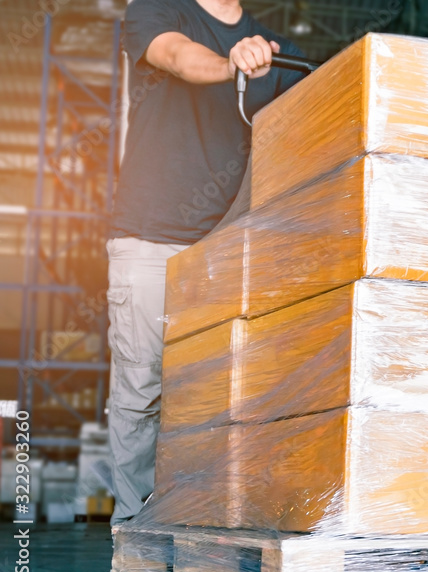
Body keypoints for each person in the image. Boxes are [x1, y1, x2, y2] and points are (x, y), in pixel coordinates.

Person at [107, 0, 304, 525]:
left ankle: (207, 528)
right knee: (142, 389)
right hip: (151, 239)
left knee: (220, 397)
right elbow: (176, 56)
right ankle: (136, 530)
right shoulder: (156, 11)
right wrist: (230, 65)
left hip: (232, 252)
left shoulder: (281, 54)